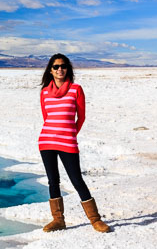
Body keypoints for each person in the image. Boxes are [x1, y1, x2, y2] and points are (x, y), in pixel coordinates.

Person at [37, 54, 111, 233]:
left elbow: (81, 116)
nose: (60, 69)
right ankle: (58, 220)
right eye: (56, 67)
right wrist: (56, 132)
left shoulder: (76, 89)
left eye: (63, 66)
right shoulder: (45, 92)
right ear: (51, 70)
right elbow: (47, 118)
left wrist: (71, 133)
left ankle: (95, 220)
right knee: (53, 181)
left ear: (68, 69)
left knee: (77, 179)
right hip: (46, 141)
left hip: (67, 141)